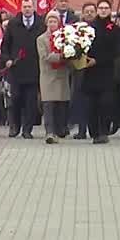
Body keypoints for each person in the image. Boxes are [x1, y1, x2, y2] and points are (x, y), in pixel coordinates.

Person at [1, 0, 45, 138]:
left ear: (34, 8)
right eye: (24, 7)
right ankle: (15, 127)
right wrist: (7, 59)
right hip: (16, 68)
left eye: (29, 7)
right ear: (21, 8)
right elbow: (5, 45)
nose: (27, 9)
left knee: (31, 102)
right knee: (16, 100)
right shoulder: (14, 23)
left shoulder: (40, 23)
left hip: (34, 69)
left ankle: (27, 130)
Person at [82, 0, 120, 144]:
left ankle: (104, 132)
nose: (103, 10)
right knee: (91, 104)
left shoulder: (115, 29)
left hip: (106, 71)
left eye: (106, 8)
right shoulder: (88, 28)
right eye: (101, 8)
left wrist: (98, 60)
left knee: (106, 103)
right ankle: (94, 132)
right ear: (97, 10)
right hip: (90, 72)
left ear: (110, 10)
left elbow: (115, 51)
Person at [36, 10, 71, 143]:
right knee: (48, 104)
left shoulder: (65, 37)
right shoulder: (41, 39)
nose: (52, 23)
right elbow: (45, 57)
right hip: (48, 75)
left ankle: (60, 129)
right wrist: (62, 56)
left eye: (55, 21)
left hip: (62, 75)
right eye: (50, 21)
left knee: (61, 104)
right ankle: (49, 132)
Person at [70, 1, 98, 139]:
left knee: (94, 100)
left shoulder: (100, 28)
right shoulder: (76, 29)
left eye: (92, 11)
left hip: (96, 67)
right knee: (80, 99)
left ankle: (95, 130)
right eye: (86, 11)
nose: (89, 13)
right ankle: (81, 130)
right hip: (80, 68)